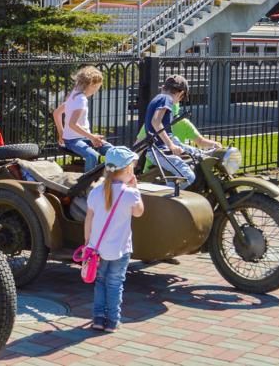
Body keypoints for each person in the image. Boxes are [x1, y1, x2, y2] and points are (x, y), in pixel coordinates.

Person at [85, 146, 144, 333]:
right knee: (115, 283)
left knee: (100, 282)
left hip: (97, 249)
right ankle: (112, 321)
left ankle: (98, 318)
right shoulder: (130, 194)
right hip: (120, 249)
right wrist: (137, 189)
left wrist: (88, 242)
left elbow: (89, 218)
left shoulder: (95, 192)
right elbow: (139, 213)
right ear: (128, 170)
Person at [54, 66, 112, 172]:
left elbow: (56, 113)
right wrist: (92, 137)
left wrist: (61, 132)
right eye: (97, 87)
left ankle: (109, 176)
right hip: (73, 140)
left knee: (111, 150)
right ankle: (86, 185)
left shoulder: (72, 95)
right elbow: (72, 124)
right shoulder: (81, 99)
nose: (96, 91)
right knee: (92, 156)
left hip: (82, 138)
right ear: (91, 85)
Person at [143, 75, 198, 189]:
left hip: (160, 149)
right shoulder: (166, 99)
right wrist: (171, 145)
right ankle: (164, 193)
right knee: (189, 177)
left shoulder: (160, 98)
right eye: (181, 98)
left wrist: (175, 144)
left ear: (163, 87)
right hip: (160, 151)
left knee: (197, 155)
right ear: (180, 94)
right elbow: (156, 122)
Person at [136, 102, 221, 172]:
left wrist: (215, 144)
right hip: (154, 170)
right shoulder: (155, 123)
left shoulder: (183, 123)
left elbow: (200, 141)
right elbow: (200, 141)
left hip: (180, 164)